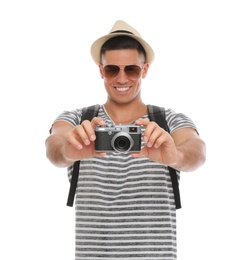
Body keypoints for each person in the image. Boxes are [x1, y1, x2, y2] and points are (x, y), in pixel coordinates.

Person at [45, 20, 206, 260]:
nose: (122, 79)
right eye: (112, 69)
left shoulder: (166, 121)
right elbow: (54, 146)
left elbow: (197, 150)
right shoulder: (80, 119)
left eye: (131, 69)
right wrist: (69, 150)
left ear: (145, 69)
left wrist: (176, 156)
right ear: (101, 70)